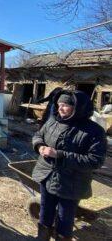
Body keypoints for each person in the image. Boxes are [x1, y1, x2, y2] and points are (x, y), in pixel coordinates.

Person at [31, 90, 107, 240]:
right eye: (59, 105)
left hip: (71, 183)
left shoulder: (94, 131)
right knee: (45, 212)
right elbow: (38, 135)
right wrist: (39, 146)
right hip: (47, 175)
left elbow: (95, 160)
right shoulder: (53, 121)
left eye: (65, 105)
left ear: (78, 107)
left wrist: (59, 155)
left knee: (65, 219)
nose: (60, 108)